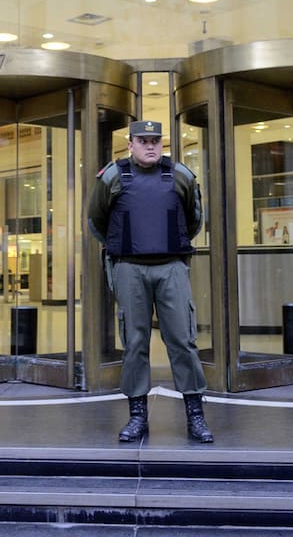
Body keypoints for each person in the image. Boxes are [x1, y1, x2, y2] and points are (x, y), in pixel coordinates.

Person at [87, 120, 213, 443]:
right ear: (130, 145)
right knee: (134, 343)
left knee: (183, 340)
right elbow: (97, 220)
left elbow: (194, 217)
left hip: (171, 267)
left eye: (155, 140)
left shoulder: (180, 175)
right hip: (130, 268)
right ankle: (137, 416)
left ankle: (195, 416)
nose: (151, 146)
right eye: (143, 140)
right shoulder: (114, 176)